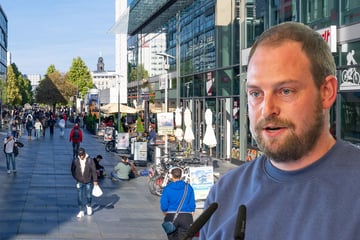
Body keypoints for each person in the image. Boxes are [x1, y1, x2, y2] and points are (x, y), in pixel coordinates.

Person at [200, 22, 360, 239]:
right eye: (256, 93)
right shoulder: (224, 193)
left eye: (285, 91)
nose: (267, 109)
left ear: (326, 92)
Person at [160, 168, 196, 240]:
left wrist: (166, 213)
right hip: (186, 216)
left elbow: (164, 205)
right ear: (181, 175)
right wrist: (191, 213)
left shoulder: (167, 188)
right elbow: (192, 204)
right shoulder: (188, 187)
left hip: (171, 216)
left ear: (172, 176)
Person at [71, 147, 98, 218]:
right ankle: (81, 211)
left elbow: (94, 170)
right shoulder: (76, 160)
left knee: (88, 195)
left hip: (88, 181)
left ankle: (89, 205)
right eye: (79, 155)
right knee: (79, 197)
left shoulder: (90, 160)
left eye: (82, 155)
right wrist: (75, 177)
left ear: (84, 154)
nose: (81, 157)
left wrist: (95, 180)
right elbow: (72, 169)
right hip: (79, 181)